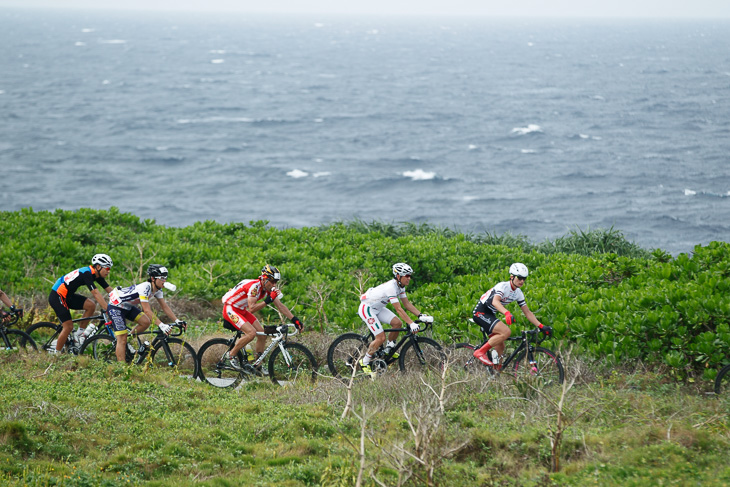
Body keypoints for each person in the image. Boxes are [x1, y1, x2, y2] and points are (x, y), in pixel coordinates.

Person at [357, 263, 433, 378]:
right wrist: (411, 323)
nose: (409, 278)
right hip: (367, 308)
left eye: (409, 276)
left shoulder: (400, 287)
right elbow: (398, 309)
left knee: (397, 323)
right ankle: (365, 361)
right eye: (406, 276)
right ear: (398, 276)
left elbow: (406, 304)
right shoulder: (391, 287)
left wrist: (421, 315)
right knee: (381, 337)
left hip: (378, 308)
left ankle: (388, 348)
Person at [221, 265, 303, 369]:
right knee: (251, 333)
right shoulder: (254, 287)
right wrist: (269, 299)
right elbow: (252, 308)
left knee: (263, 334)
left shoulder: (267, 288)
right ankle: (231, 355)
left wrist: (295, 320)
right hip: (231, 309)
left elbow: (281, 306)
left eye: (276, 282)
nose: (274, 284)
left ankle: (257, 364)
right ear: (264, 279)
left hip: (241, 310)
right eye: (272, 281)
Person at [471, 263, 550, 366]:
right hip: (480, 313)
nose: (522, 281)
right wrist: (507, 313)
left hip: (490, 314)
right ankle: (480, 352)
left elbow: (527, 312)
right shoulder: (503, 286)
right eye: (520, 278)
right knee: (506, 332)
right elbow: (495, 301)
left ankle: (496, 371)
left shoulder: (518, 293)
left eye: (524, 279)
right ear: (512, 277)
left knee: (500, 345)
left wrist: (541, 326)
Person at [106, 264, 186, 362]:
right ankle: (121, 368)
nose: (164, 281)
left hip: (128, 306)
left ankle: (127, 342)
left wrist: (177, 320)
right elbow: (147, 310)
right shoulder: (145, 287)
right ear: (153, 278)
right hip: (116, 306)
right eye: (161, 278)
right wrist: (161, 325)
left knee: (146, 322)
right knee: (122, 338)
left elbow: (164, 307)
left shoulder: (158, 290)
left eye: (165, 278)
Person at [48, 254, 113, 353]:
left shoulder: (97, 275)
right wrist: (108, 309)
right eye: (107, 268)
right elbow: (95, 293)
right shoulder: (86, 273)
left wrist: (121, 299)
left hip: (67, 296)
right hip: (57, 296)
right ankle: (56, 355)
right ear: (98, 267)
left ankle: (79, 335)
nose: (109, 271)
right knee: (68, 326)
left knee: (91, 305)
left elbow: (110, 291)